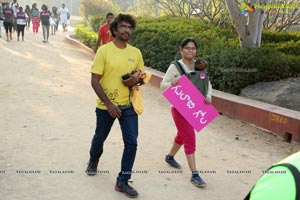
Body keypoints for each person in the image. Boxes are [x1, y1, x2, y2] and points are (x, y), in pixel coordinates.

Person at [86, 13, 144, 198]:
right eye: (123, 27)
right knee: (99, 138)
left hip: (128, 106)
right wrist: (109, 104)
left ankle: (122, 181)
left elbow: (140, 78)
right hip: (106, 106)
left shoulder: (135, 53)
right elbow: (95, 81)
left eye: (129, 27)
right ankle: (94, 159)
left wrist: (135, 80)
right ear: (114, 30)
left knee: (132, 143)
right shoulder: (104, 51)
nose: (127, 30)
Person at [160, 37, 213, 188]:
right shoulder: (175, 66)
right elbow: (162, 84)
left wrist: (208, 96)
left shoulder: (199, 66)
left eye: (193, 48)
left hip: (195, 107)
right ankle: (195, 174)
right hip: (179, 107)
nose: (190, 51)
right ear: (181, 50)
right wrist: (172, 83)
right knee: (190, 138)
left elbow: (207, 83)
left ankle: (170, 157)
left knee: (182, 136)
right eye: (187, 48)